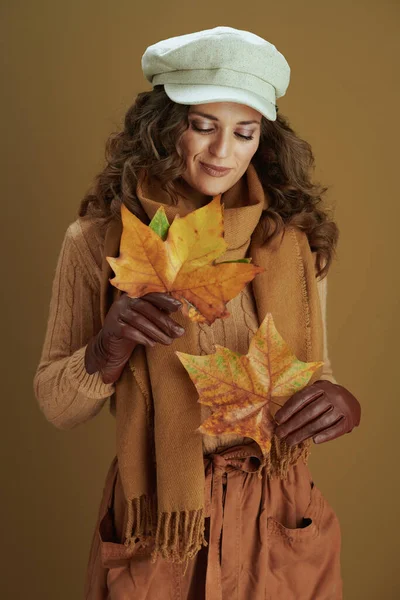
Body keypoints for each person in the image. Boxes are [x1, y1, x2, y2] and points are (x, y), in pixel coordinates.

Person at [33, 26, 361, 600]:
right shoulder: (97, 241)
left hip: (277, 509)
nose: (222, 152)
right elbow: (57, 406)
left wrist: (340, 401)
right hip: (161, 513)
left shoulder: (291, 242)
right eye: (203, 126)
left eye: (244, 132)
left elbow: (312, 374)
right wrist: (106, 349)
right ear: (164, 129)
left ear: (265, 139)